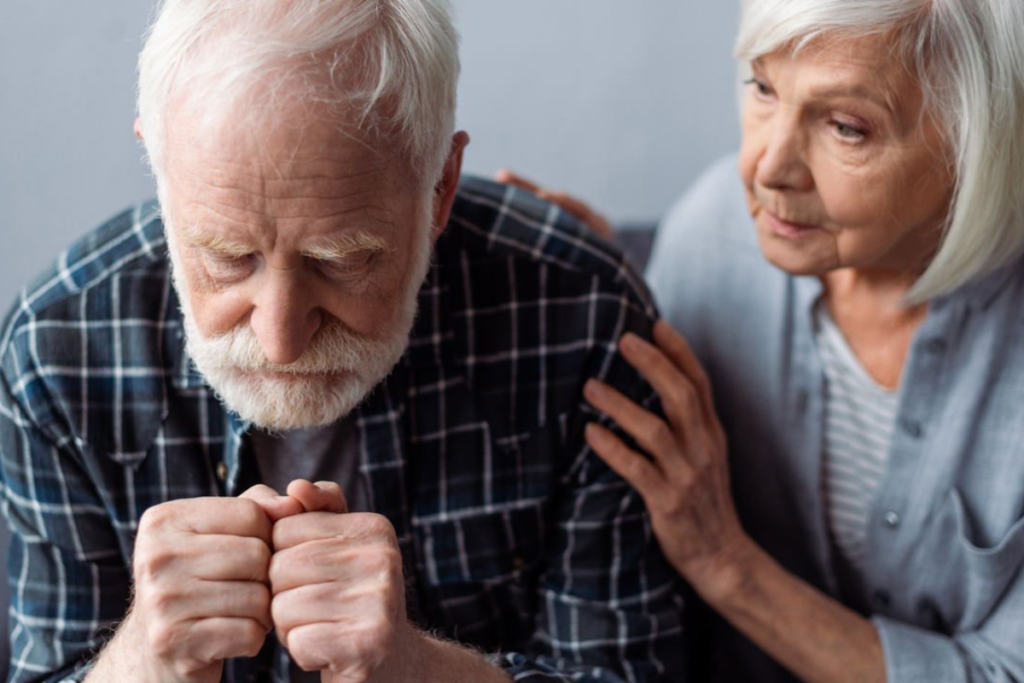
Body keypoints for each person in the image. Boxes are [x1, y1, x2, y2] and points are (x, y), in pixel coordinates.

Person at [0, 1, 686, 681]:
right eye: (228, 256)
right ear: (159, 168)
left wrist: (419, 669)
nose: (280, 341)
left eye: (340, 259)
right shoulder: (56, 352)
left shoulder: (581, 315)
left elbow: (622, 671)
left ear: (438, 188)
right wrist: (143, 663)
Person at [504, 0, 1024, 681]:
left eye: (846, 126)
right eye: (762, 87)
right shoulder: (713, 227)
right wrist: (607, 283)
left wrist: (727, 564)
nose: (767, 166)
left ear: (983, 140)